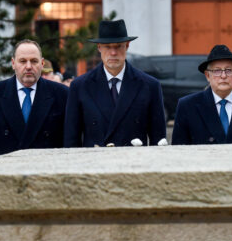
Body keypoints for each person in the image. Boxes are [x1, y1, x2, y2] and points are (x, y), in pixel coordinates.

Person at [64, 19, 166, 147]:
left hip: (135, 158)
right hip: (94, 158)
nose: (113, 53)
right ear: (99, 47)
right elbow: (71, 141)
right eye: (107, 47)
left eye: (118, 46)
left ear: (127, 46)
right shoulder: (80, 86)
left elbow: (159, 141)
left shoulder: (150, 86)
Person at [0, 39, 69, 164]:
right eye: (22, 61)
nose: (28, 66)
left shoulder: (62, 94)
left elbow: (70, 144)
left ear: (42, 63)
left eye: (34, 61)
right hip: (4, 171)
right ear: (13, 63)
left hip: (47, 169)